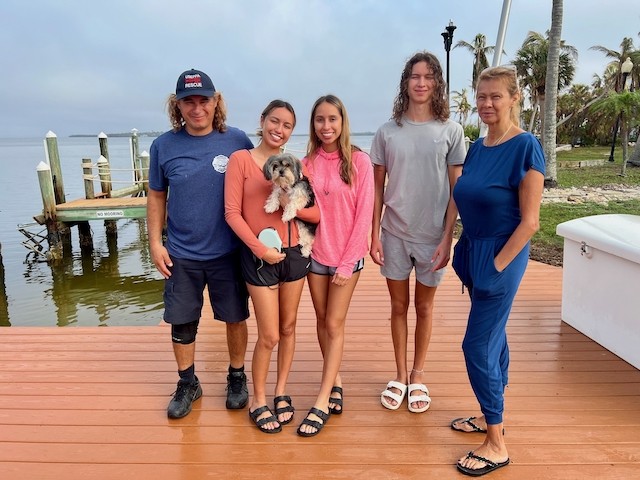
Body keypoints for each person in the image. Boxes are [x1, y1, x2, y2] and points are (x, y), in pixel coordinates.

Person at [451, 66, 545, 476]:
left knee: (476, 346)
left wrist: (496, 265)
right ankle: (490, 413)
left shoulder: (526, 146)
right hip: (474, 251)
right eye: (481, 96)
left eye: (496, 96)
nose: (487, 104)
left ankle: (496, 443)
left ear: (514, 98)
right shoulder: (478, 147)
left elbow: (530, 222)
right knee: (495, 337)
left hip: (501, 255)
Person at [148, 69, 253, 419]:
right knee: (182, 322)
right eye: (188, 102)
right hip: (181, 253)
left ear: (216, 102)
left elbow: (257, 184)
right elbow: (156, 196)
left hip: (229, 251)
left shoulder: (237, 140)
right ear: (177, 106)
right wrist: (155, 243)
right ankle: (187, 382)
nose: (197, 108)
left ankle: (237, 376)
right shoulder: (163, 146)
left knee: (235, 317)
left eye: (203, 100)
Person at [370, 51, 466, 413]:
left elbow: (457, 190)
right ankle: (399, 374)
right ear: (405, 82)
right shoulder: (387, 132)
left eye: (428, 76)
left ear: (437, 83)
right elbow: (376, 188)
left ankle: (418, 375)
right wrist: (373, 234)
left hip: (432, 237)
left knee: (424, 307)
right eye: (415, 76)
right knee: (398, 306)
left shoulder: (451, 131)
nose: (421, 83)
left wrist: (447, 237)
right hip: (394, 232)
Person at [225, 100, 320, 434]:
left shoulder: (296, 166)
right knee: (269, 335)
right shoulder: (241, 160)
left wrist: (295, 208)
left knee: (289, 328)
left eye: (287, 125)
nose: (279, 129)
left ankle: (281, 391)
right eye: (274, 121)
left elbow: (316, 213)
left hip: (295, 255)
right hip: (259, 256)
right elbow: (232, 213)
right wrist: (260, 249)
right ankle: (258, 399)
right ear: (263, 120)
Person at [297, 95, 374, 437]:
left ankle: (322, 399)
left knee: (334, 323)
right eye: (319, 120)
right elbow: (300, 207)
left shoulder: (359, 161)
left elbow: (364, 214)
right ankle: (336, 380)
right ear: (313, 125)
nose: (326, 126)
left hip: (346, 258)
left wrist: (347, 263)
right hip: (315, 256)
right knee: (320, 319)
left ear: (342, 122)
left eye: (332, 119)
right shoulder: (307, 163)